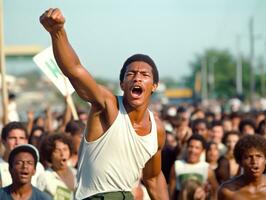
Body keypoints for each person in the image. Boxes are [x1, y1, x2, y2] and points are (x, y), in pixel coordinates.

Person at [40, 8, 168, 200]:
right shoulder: (108, 106)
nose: (137, 79)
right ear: (122, 84)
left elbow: (153, 178)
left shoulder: (156, 129)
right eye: (131, 74)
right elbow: (75, 70)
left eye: (144, 75)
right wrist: (58, 32)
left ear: (154, 86)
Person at [169, 134, 218, 200]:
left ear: (202, 150)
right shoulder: (177, 166)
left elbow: (215, 191)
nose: (193, 150)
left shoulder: (206, 168)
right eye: (190, 146)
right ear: (187, 148)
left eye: (197, 148)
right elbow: (171, 192)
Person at [218, 134, 266, 200]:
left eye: (258, 156)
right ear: (240, 162)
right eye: (248, 157)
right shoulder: (227, 191)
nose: (254, 161)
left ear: (265, 160)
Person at [0, 121, 44, 187]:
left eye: (21, 138)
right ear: (3, 141)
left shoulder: (38, 166)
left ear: (26, 141)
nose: (17, 142)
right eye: (13, 138)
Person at [37, 133, 76, 199]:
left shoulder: (77, 173)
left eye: (65, 149)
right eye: (57, 150)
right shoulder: (45, 177)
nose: (62, 154)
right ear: (50, 154)